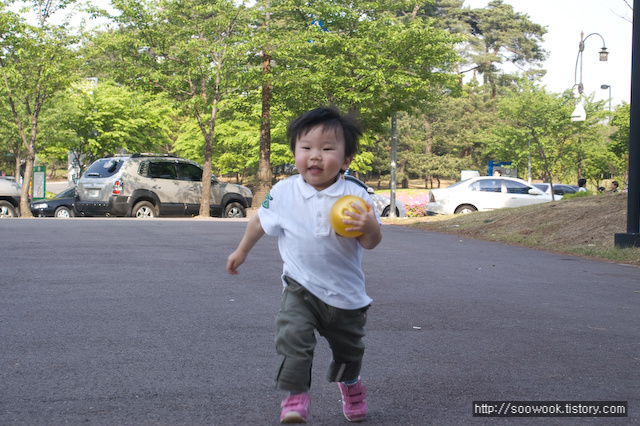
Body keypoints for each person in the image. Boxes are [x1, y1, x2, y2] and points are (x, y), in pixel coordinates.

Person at [226, 106, 382, 424]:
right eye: (306, 147)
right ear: (295, 151)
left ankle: (350, 384)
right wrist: (242, 251)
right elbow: (259, 222)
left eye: (327, 149)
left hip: (346, 297)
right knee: (292, 337)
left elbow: (371, 242)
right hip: (300, 288)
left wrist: (368, 225)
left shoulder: (356, 196)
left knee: (348, 355)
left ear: (346, 159)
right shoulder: (283, 192)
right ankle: (295, 397)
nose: (315, 156)